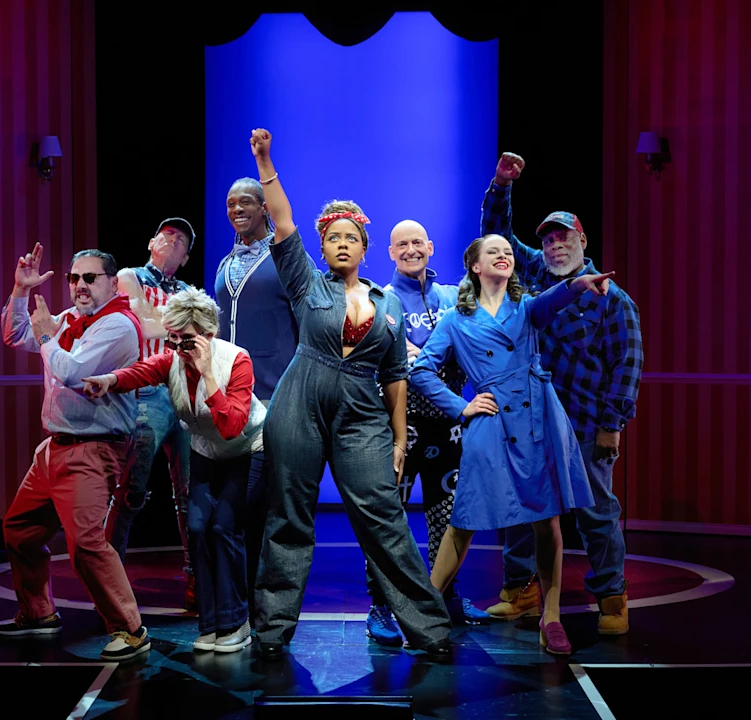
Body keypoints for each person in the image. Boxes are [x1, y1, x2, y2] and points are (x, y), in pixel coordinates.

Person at [248, 128, 452, 660]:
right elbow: (283, 222)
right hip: (300, 400)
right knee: (289, 516)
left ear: (364, 247)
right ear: (322, 247)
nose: (342, 243)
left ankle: (430, 629)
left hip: (363, 411)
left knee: (384, 518)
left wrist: (400, 438)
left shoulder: (389, 304)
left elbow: (396, 376)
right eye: (333, 237)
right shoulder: (305, 283)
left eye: (351, 237)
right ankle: (270, 632)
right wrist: (266, 162)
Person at [411, 234, 613, 655]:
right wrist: (461, 406)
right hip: (489, 421)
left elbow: (553, 300)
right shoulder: (456, 320)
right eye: (494, 252)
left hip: (536, 417)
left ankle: (551, 618)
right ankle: (424, 611)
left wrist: (578, 283)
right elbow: (422, 370)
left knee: (547, 520)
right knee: (464, 520)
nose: (504, 256)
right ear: (475, 266)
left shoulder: (526, 307)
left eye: (507, 251)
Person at [480, 153, 643, 635]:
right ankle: (521, 591)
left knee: (596, 513)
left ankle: (612, 598)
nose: (554, 246)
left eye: (563, 238)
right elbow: (495, 236)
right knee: (520, 506)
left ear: (582, 241)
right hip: (528, 420)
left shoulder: (612, 299)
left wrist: (612, 426)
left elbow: (627, 365)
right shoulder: (530, 275)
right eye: (548, 240)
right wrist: (502, 185)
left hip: (584, 421)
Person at [0, 243, 150, 662]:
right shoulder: (70, 320)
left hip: (92, 448)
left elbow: (72, 373)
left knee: (86, 546)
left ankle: (131, 630)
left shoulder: (117, 326)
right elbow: (14, 336)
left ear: (112, 283)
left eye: (90, 278)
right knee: (20, 530)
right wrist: (21, 291)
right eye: (74, 278)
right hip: (55, 447)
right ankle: (38, 612)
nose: (79, 285)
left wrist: (47, 335)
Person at [84, 287, 265, 654]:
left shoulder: (236, 360)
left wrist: (208, 375)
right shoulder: (172, 362)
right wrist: (110, 380)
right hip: (206, 451)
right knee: (197, 528)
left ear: (208, 334)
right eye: (173, 339)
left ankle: (237, 621)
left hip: (246, 451)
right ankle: (211, 623)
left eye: (187, 340)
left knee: (224, 527)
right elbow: (141, 371)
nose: (178, 348)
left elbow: (232, 426)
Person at [358, 219, 489, 647]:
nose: (411, 250)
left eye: (417, 242)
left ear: (430, 247)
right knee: (387, 519)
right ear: (390, 253)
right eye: (402, 245)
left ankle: (446, 597)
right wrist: (413, 353)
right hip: (399, 424)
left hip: (449, 427)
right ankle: (381, 606)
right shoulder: (382, 299)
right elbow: (378, 357)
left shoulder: (453, 296)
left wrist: (429, 353)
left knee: (448, 517)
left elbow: (470, 343)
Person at [214, 178, 314, 618]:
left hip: (275, 395)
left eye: (246, 202)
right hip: (232, 401)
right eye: (230, 203)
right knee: (237, 508)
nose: (237, 209)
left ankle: (268, 606)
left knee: (270, 506)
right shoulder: (225, 263)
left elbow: (309, 321)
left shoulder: (284, 257)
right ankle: (240, 605)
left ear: (264, 208)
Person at [107, 218, 196, 609]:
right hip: (146, 390)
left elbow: (196, 335)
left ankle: (196, 578)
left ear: (186, 257)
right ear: (150, 241)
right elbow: (143, 328)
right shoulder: (130, 276)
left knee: (191, 493)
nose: (172, 239)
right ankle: (108, 579)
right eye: (166, 233)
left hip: (184, 391)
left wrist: (166, 325)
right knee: (131, 489)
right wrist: (177, 327)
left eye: (181, 239)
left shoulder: (188, 291)